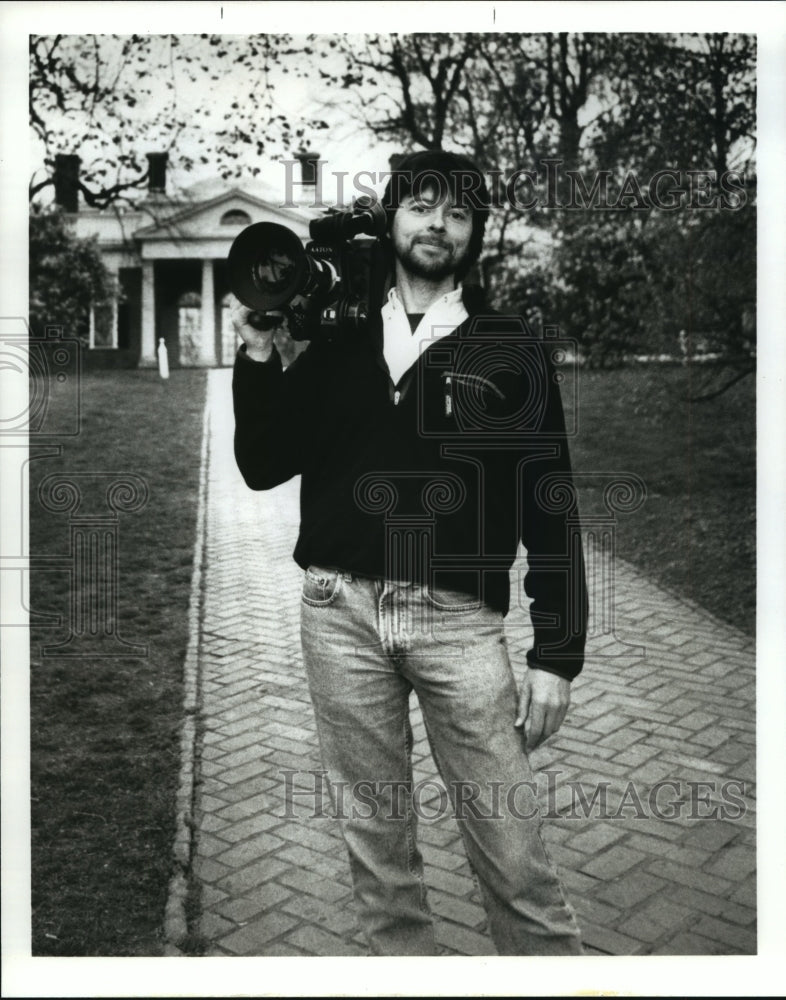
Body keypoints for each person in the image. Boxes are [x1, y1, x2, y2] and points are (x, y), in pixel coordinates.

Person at [231, 150, 588, 956]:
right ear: (391, 220)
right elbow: (261, 464)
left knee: (515, 861)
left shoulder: (509, 348)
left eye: (458, 213)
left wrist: (557, 655)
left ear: (474, 234)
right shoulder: (336, 340)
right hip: (338, 614)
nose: (438, 223)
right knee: (379, 862)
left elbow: (551, 503)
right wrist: (257, 357)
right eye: (422, 205)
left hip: (459, 625)